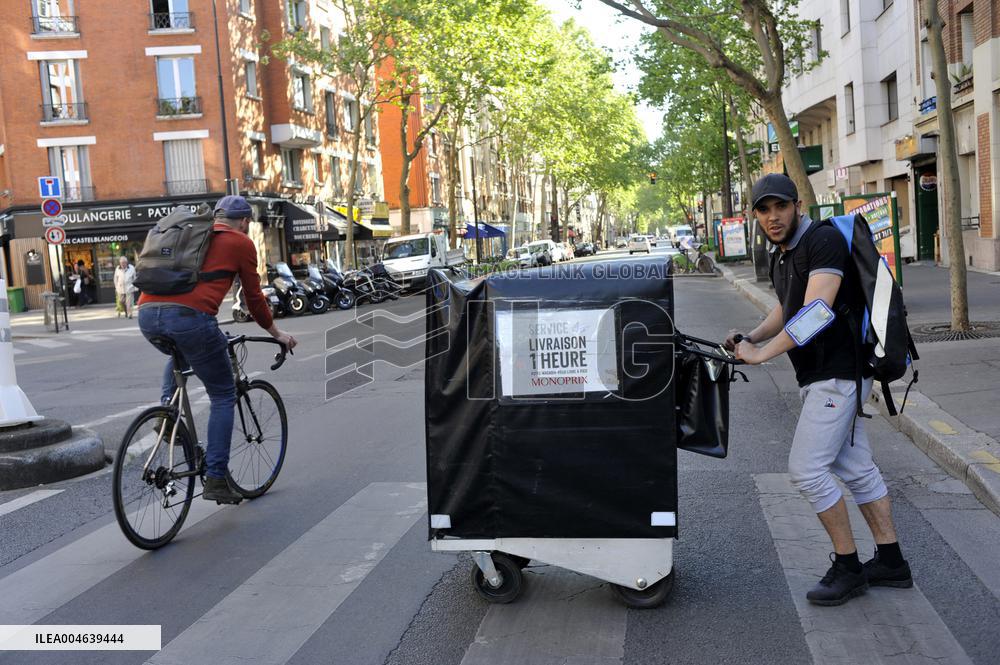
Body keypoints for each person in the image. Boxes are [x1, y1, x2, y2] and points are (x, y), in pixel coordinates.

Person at [726, 174, 911, 606]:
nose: (773, 217)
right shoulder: (783, 254)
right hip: (820, 375)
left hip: (839, 374)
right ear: (755, 216)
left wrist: (762, 354)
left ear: (797, 206)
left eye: (780, 207)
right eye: (764, 210)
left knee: (807, 469)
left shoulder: (822, 241)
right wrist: (749, 338)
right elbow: (786, 307)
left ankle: (847, 567)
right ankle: (891, 562)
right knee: (857, 468)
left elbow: (816, 312)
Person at [138, 195, 297, 504]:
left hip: (146, 315)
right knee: (223, 394)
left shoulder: (191, 232)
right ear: (244, 221)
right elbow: (254, 299)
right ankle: (216, 479)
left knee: (180, 352)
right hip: (190, 319)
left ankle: (167, 416)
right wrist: (276, 333)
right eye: (248, 222)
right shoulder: (240, 242)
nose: (248, 227)